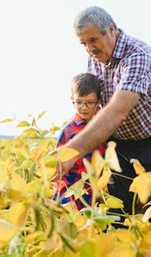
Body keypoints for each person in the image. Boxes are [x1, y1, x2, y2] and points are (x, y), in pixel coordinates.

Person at [59, 6, 151, 220]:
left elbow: (118, 110)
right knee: (117, 214)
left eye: (93, 40)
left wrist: (71, 151)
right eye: (83, 43)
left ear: (111, 30)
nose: (89, 49)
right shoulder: (94, 59)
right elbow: (95, 106)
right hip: (119, 146)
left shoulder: (138, 55)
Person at [55, 73, 106, 209]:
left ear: (99, 102)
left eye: (89, 103)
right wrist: (61, 200)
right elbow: (58, 169)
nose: (83, 107)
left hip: (95, 193)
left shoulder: (104, 128)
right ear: (72, 99)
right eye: (79, 102)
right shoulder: (68, 132)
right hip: (71, 195)